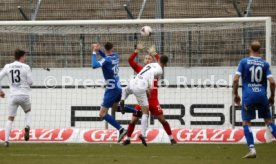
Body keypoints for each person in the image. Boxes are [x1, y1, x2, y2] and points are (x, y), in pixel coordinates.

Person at [121, 44, 176, 146]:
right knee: (133, 120)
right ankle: (128, 139)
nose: (147, 60)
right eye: (145, 58)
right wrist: (136, 51)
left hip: (153, 100)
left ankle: (171, 138)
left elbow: (161, 61)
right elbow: (130, 61)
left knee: (162, 120)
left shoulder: (156, 68)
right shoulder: (141, 69)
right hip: (142, 98)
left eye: (149, 58)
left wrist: (155, 54)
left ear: (153, 61)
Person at [233, 40, 276, 158]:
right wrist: (272, 96)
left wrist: (236, 95)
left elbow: (236, 79)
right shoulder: (265, 64)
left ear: (249, 49)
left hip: (248, 96)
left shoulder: (243, 62)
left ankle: (252, 149)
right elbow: (272, 82)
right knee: (269, 122)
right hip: (262, 96)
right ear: (260, 50)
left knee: (246, 122)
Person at [91, 42, 127, 142]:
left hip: (112, 88)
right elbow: (106, 55)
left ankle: (121, 129)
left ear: (104, 48)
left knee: (102, 114)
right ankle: (137, 112)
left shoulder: (105, 60)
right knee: (115, 108)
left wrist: (94, 52)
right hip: (118, 85)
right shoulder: (115, 56)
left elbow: (94, 65)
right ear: (113, 48)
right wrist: (99, 51)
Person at [0, 49, 33, 147]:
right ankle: (27, 126)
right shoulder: (26, 67)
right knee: (28, 111)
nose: (25, 58)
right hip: (24, 95)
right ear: (21, 57)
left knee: (10, 118)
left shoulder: (7, 66)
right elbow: (31, 82)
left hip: (13, 95)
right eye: (24, 56)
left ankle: (6, 141)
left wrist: (0, 90)